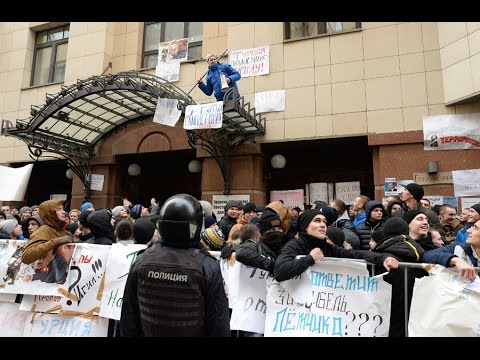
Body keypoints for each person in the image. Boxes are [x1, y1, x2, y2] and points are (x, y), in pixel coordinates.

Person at [120, 193, 230, 337]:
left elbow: (128, 320)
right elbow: (219, 325)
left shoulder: (141, 261)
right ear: (196, 227)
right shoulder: (207, 267)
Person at [273, 209, 399, 282]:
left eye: (324, 222)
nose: (323, 225)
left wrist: (383, 258)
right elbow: (279, 272)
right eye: (317, 221)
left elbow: (354, 254)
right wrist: (310, 259)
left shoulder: (327, 246)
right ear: (305, 226)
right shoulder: (294, 246)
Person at [21, 200, 72, 265]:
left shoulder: (64, 231)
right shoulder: (43, 231)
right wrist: (55, 242)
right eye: (59, 210)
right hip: (44, 273)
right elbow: (26, 257)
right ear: (50, 213)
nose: (64, 212)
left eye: (63, 209)